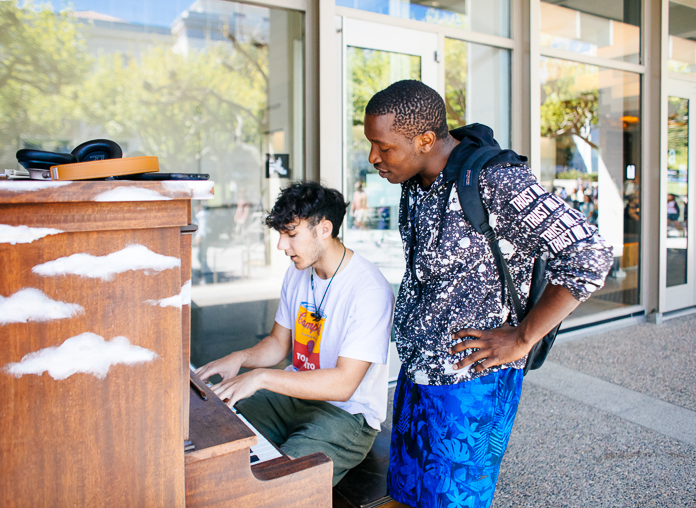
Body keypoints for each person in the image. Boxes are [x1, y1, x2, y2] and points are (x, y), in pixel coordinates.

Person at [363, 80, 613, 508]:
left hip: (470, 385)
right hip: (418, 374)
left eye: (383, 147)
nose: (373, 158)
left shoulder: (495, 181)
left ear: (425, 140)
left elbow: (589, 254)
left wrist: (521, 337)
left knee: (451, 502)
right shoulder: (415, 180)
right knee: (405, 496)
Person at [195, 181, 395, 486]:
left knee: (278, 487)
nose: (281, 246)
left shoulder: (369, 289)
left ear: (324, 229)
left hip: (347, 415)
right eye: (280, 235)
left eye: (291, 235)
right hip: (291, 397)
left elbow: (343, 384)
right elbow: (277, 344)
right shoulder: (298, 271)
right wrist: (240, 358)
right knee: (220, 432)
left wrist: (261, 377)